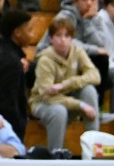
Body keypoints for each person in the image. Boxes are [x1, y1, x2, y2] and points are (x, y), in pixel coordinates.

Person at [30, 15, 101, 151]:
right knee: (59, 111)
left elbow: (95, 75)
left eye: (67, 36)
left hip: (67, 97)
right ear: (51, 39)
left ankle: (94, 148)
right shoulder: (45, 59)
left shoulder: (77, 51)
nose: (63, 40)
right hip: (43, 103)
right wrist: (80, 104)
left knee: (89, 90)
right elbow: (46, 95)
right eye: (58, 36)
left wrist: (65, 85)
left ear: (72, 39)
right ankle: (56, 154)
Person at [0, 8, 34, 138]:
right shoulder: (11, 62)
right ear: (17, 33)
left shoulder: (1, 56)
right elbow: (7, 106)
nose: (32, 35)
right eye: (29, 30)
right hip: (4, 134)